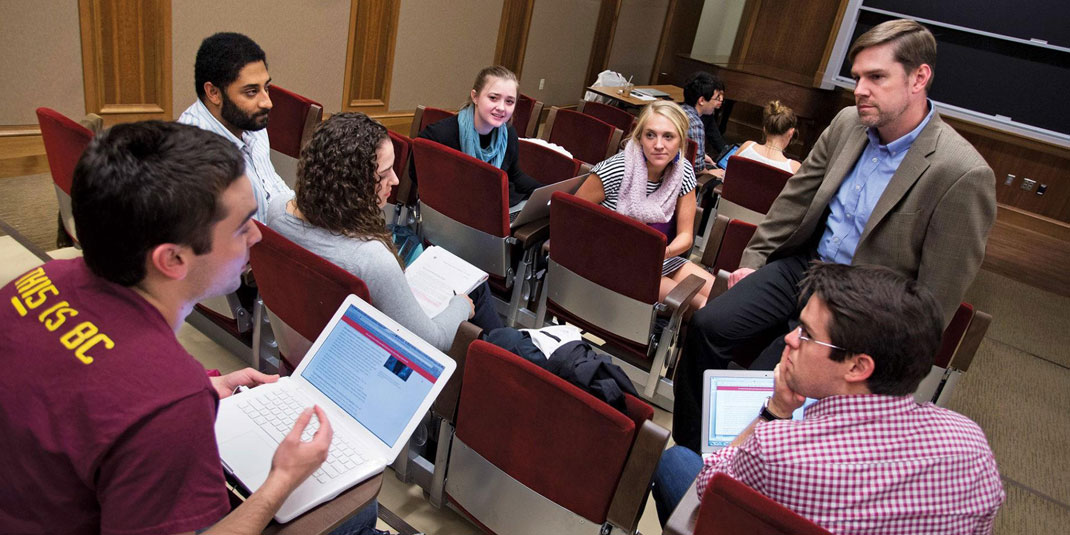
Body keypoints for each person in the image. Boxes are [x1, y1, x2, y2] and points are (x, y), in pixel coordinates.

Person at [0, 121, 361, 534]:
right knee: (352, 511)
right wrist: (281, 480)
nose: (258, 236)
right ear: (172, 260)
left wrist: (201, 390)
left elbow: (77, 390)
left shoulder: (36, 281)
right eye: (242, 225)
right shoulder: (169, 400)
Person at [673, 18, 997, 452]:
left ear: (920, 78)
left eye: (876, 77)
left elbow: (936, 298)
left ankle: (740, 474)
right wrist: (753, 260)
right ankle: (696, 454)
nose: (860, 89)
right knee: (708, 324)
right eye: (858, 76)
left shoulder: (961, 172)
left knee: (776, 381)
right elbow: (794, 199)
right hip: (805, 268)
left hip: (860, 308)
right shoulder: (848, 122)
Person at [652, 263, 1004, 533]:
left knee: (678, 461)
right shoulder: (972, 442)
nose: (789, 340)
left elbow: (707, 487)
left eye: (806, 333)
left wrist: (774, 412)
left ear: (857, 367)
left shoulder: (778, 450)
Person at [267, 112, 503, 351]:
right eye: (384, 173)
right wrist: (460, 305)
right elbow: (434, 342)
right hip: (365, 359)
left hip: (306, 344)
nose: (396, 180)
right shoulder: (371, 258)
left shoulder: (278, 211)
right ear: (353, 183)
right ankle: (504, 364)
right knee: (476, 291)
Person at [574, 100, 716, 309]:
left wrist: (661, 253)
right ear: (640, 137)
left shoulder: (683, 172)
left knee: (723, 299)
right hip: (613, 259)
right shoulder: (617, 169)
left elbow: (685, 236)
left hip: (659, 257)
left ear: (681, 141)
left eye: (668, 136)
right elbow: (571, 217)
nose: (658, 145)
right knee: (704, 306)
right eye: (650, 135)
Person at [178, 32, 292, 221]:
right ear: (214, 93)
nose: (268, 102)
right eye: (251, 92)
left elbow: (272, 186)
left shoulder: (247, 121)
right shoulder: (199, 158)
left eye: (267, 88)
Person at [415, 65, 541, 207]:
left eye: (509, 101)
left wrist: (547, 193)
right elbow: (420, 178)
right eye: (493, 98)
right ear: (475, 97)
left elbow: (514, 175)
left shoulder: (509, 133)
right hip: (453, 210)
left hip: (494, 206)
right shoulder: (439, 135)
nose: (501, 107)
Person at [733, 100, 801, 174]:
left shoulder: (746, 147)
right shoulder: (794, 168)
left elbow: (727, 177)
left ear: (764, 128)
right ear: (791, 132)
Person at [680, 71, 726, 178]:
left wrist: (701, 155)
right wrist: (709, 172)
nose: (718, 102)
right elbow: (697, 168)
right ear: (701, 100)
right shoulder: (696, 124)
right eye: (716, 99)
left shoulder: (678, 110)